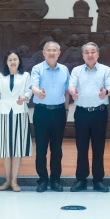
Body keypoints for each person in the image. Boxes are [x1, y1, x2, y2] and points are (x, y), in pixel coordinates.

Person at [68, 42, 110, 192]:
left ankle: (98, 180)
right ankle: (81, 180)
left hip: (99, 113)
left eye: (93, 52)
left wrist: (105, 92)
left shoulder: (105, 70)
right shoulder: (76, 70)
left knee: (98, 148)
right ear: (82, 55)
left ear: (98, 54)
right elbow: (71, 85)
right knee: (81, 148)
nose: (90, 55)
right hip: (81, 113)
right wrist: (72, 91)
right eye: (87, 52)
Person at [0, 50, 33, 192]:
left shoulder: (25, 75)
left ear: (19, 61)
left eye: (15, 59)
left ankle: (15, 181)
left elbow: (28, 92)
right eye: (10, 59)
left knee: (17, 149)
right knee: (5, 149)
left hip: (20, 113)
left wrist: (24, 98)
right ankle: (7, 180)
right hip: (3, 113)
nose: (13, 62)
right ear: (6, 62)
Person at [30, 41, 70, 192]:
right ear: (44, 53)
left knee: (56, 149)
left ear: (59, 53)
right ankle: (42, 180)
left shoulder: (64, 69)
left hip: (59, 112)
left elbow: (67, 91)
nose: (52, 53)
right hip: (42, 112)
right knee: (41, 148)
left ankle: (55, 180)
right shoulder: (37, 68)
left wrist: (66, 109)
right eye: (49, 50)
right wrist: (38, 92)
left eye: (54, 50)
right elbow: (33, 85)